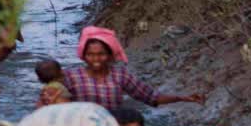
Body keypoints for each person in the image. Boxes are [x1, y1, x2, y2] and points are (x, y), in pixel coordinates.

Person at [62, 27, 205, 111]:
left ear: (110, 55)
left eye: (101, 54)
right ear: (83, 56)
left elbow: (151, 97)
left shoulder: (120, 76)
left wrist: (183, 98)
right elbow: (51, 104)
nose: (96, 59)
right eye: (90, 55)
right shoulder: (71, 77)